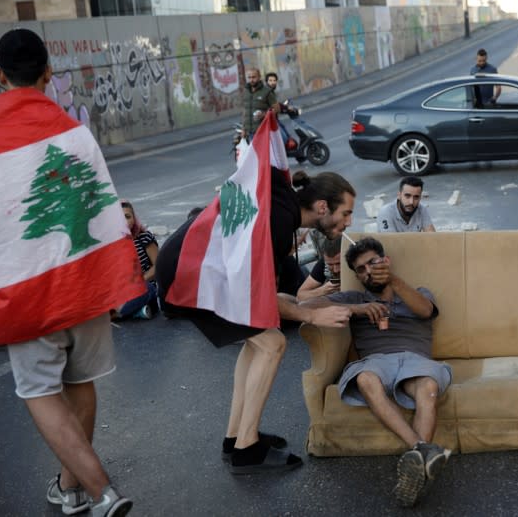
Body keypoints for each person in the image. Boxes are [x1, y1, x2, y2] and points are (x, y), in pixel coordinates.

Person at [0, 29, 143, 515]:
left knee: (39, 389)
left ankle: (101, 491)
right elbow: (101, 203)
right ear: (49, 73)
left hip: (24, 289)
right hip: (82, 283)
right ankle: (71, 488)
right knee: (80, 381)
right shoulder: (74, 131)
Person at [156, 170, 356, 474]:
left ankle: (235, 437)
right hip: (188, 274)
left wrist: (299, 304)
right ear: (322, 207)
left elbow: (260, 294)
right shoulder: (279, 221)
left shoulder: (282, 207)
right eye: (346, 213)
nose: (349, 221)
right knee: (272, 343)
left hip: (185, 265)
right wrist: (311, 314)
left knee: (259, 341)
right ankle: (246, 449)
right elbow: (253, 294)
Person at [301, 237, 451, 507]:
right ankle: (422, 451)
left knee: (428, 387)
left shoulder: (417, 292)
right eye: (361, 269)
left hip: (416, 360)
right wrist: (356, 309)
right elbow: (304, 308)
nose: (368, 271)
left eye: (373, 263)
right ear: (357, 276)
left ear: (386, 261)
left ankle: (417, 461)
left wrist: (393, 280)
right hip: (375, 362)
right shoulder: (354, 298)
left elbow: (426, 310)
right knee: (365, 379)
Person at [113, 200, 158, 320]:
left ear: (133, 219)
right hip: (123, 290)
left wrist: (139, 281)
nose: (124, 221)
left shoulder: (144, 237)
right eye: (119, 218)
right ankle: (136, 311)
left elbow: (158, 266)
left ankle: (116, 315)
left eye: (127, 217)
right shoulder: (112, 245)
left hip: (144, 285)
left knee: (147, 288)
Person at [296, 237, 341, 301]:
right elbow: (300, 296)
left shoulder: (355, 262)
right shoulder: (324, 262)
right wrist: (323, 290)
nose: (335, 270)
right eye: (330, 264)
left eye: (338, 263)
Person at [241, 67, 278, 140]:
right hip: (251, 132)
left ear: (259, 77)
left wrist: (264, 114)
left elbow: (277, 109)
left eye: (254, 77)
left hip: (264, 130)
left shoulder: (267, 91)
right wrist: (244, 129)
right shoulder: (246, 92)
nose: (251, 80)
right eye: (249, 77)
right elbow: (245, 111)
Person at [264, 71, 295, 150]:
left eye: (274, 80)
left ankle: (299, 156)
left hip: (274, 119)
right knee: (283, 138)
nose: (273, 82)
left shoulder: (271, 92)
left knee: (287, 135)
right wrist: (286, 108)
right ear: (266, 82)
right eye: (270, 81)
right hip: (268, 120)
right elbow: (275, 105)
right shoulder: (266, 92)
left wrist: (284, 107)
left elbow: (276, 104)